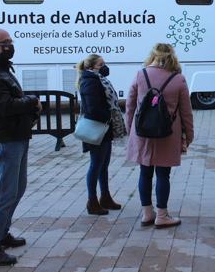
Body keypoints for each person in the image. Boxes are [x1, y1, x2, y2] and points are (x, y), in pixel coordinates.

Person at [0, 28, 41, 266]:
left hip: (16, 136)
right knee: (4, 194)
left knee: (16, 189)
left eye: (11, 41)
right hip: (5, 140)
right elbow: (6, 106)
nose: (10, 46)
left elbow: (11, 101)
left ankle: (2, 233)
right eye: (5, 43)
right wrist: (31, 101)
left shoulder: (0, 68)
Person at [125, 43, 194, 228]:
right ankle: (162, 215)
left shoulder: (141, 74)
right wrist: (189, 135)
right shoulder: (178, 79)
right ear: (172, 56)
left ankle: (147, 213)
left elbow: (130, 105)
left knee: (144, 172)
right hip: (168, 133)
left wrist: (129, 129)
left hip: (142, 133)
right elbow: (186, 111)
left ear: (152, 55)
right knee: (164, 174)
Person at [77, 54, 127, 216]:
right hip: (96, 129)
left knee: (103, 165)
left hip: (105, 128)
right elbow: (92, 108)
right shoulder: (90, 81)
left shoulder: (98, 79)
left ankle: (105, 197)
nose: (105, 67)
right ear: (92, 67)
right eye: (101, 64)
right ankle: (92, 201)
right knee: (96, 165)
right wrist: (107, 117)